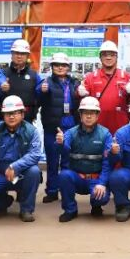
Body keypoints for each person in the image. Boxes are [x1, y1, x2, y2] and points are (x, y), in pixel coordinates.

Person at [0, 95, 43, 222]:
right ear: (3, 115)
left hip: (21, 173)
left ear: (22, 114)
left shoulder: (31, 131)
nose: (11, 117)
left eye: (15, 113)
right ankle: (2, 203)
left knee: (34, 172)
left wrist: (15, 166)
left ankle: (26, 209)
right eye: (7, 114)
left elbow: (35, 154)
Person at [57, 96, 112, 222]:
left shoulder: (105, 134)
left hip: (96, 179)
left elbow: (107, 163)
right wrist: (61, 143)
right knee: (64, 175)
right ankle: (70, 210)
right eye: (85, 113)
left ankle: (96, 206)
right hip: (77, 178)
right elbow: (64, 150)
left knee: (101, 197)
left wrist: (102, 183)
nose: (88, 116)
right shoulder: (70, 133)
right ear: (80, 115)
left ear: (97, 115)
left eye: (92, 113)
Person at [38, 52, 77, 204]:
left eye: (63, 65)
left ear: (68, 67)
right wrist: (42, 91)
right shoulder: (46, 82)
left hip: (71, 127)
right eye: (57, 65)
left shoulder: (74, 83)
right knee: (52, 161)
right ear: (52, 67)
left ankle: (67, 190)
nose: (60, 68)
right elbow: (38, 96)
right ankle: (52, 191)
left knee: (68, 161)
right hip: (52, 128)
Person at [80, 40, 130, 133]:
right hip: (97, 128)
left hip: (120, 126)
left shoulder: (127, 77)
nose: (108, 58)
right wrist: (79, 93)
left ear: (117, 57)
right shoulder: (90, 78)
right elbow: (80, 99)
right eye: (105, 55)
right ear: (100, 57)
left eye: (112, 55)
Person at [0, 38, 42, 122]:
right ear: (11, 55)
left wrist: (44, 88)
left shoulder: (34, 75)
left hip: (27, 119)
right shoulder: (3, 72)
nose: (19, 56)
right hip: (6, 119)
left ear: (27, 56)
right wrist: (3, 84)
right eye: (16, 53)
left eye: (22, 54)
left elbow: (40, 90)